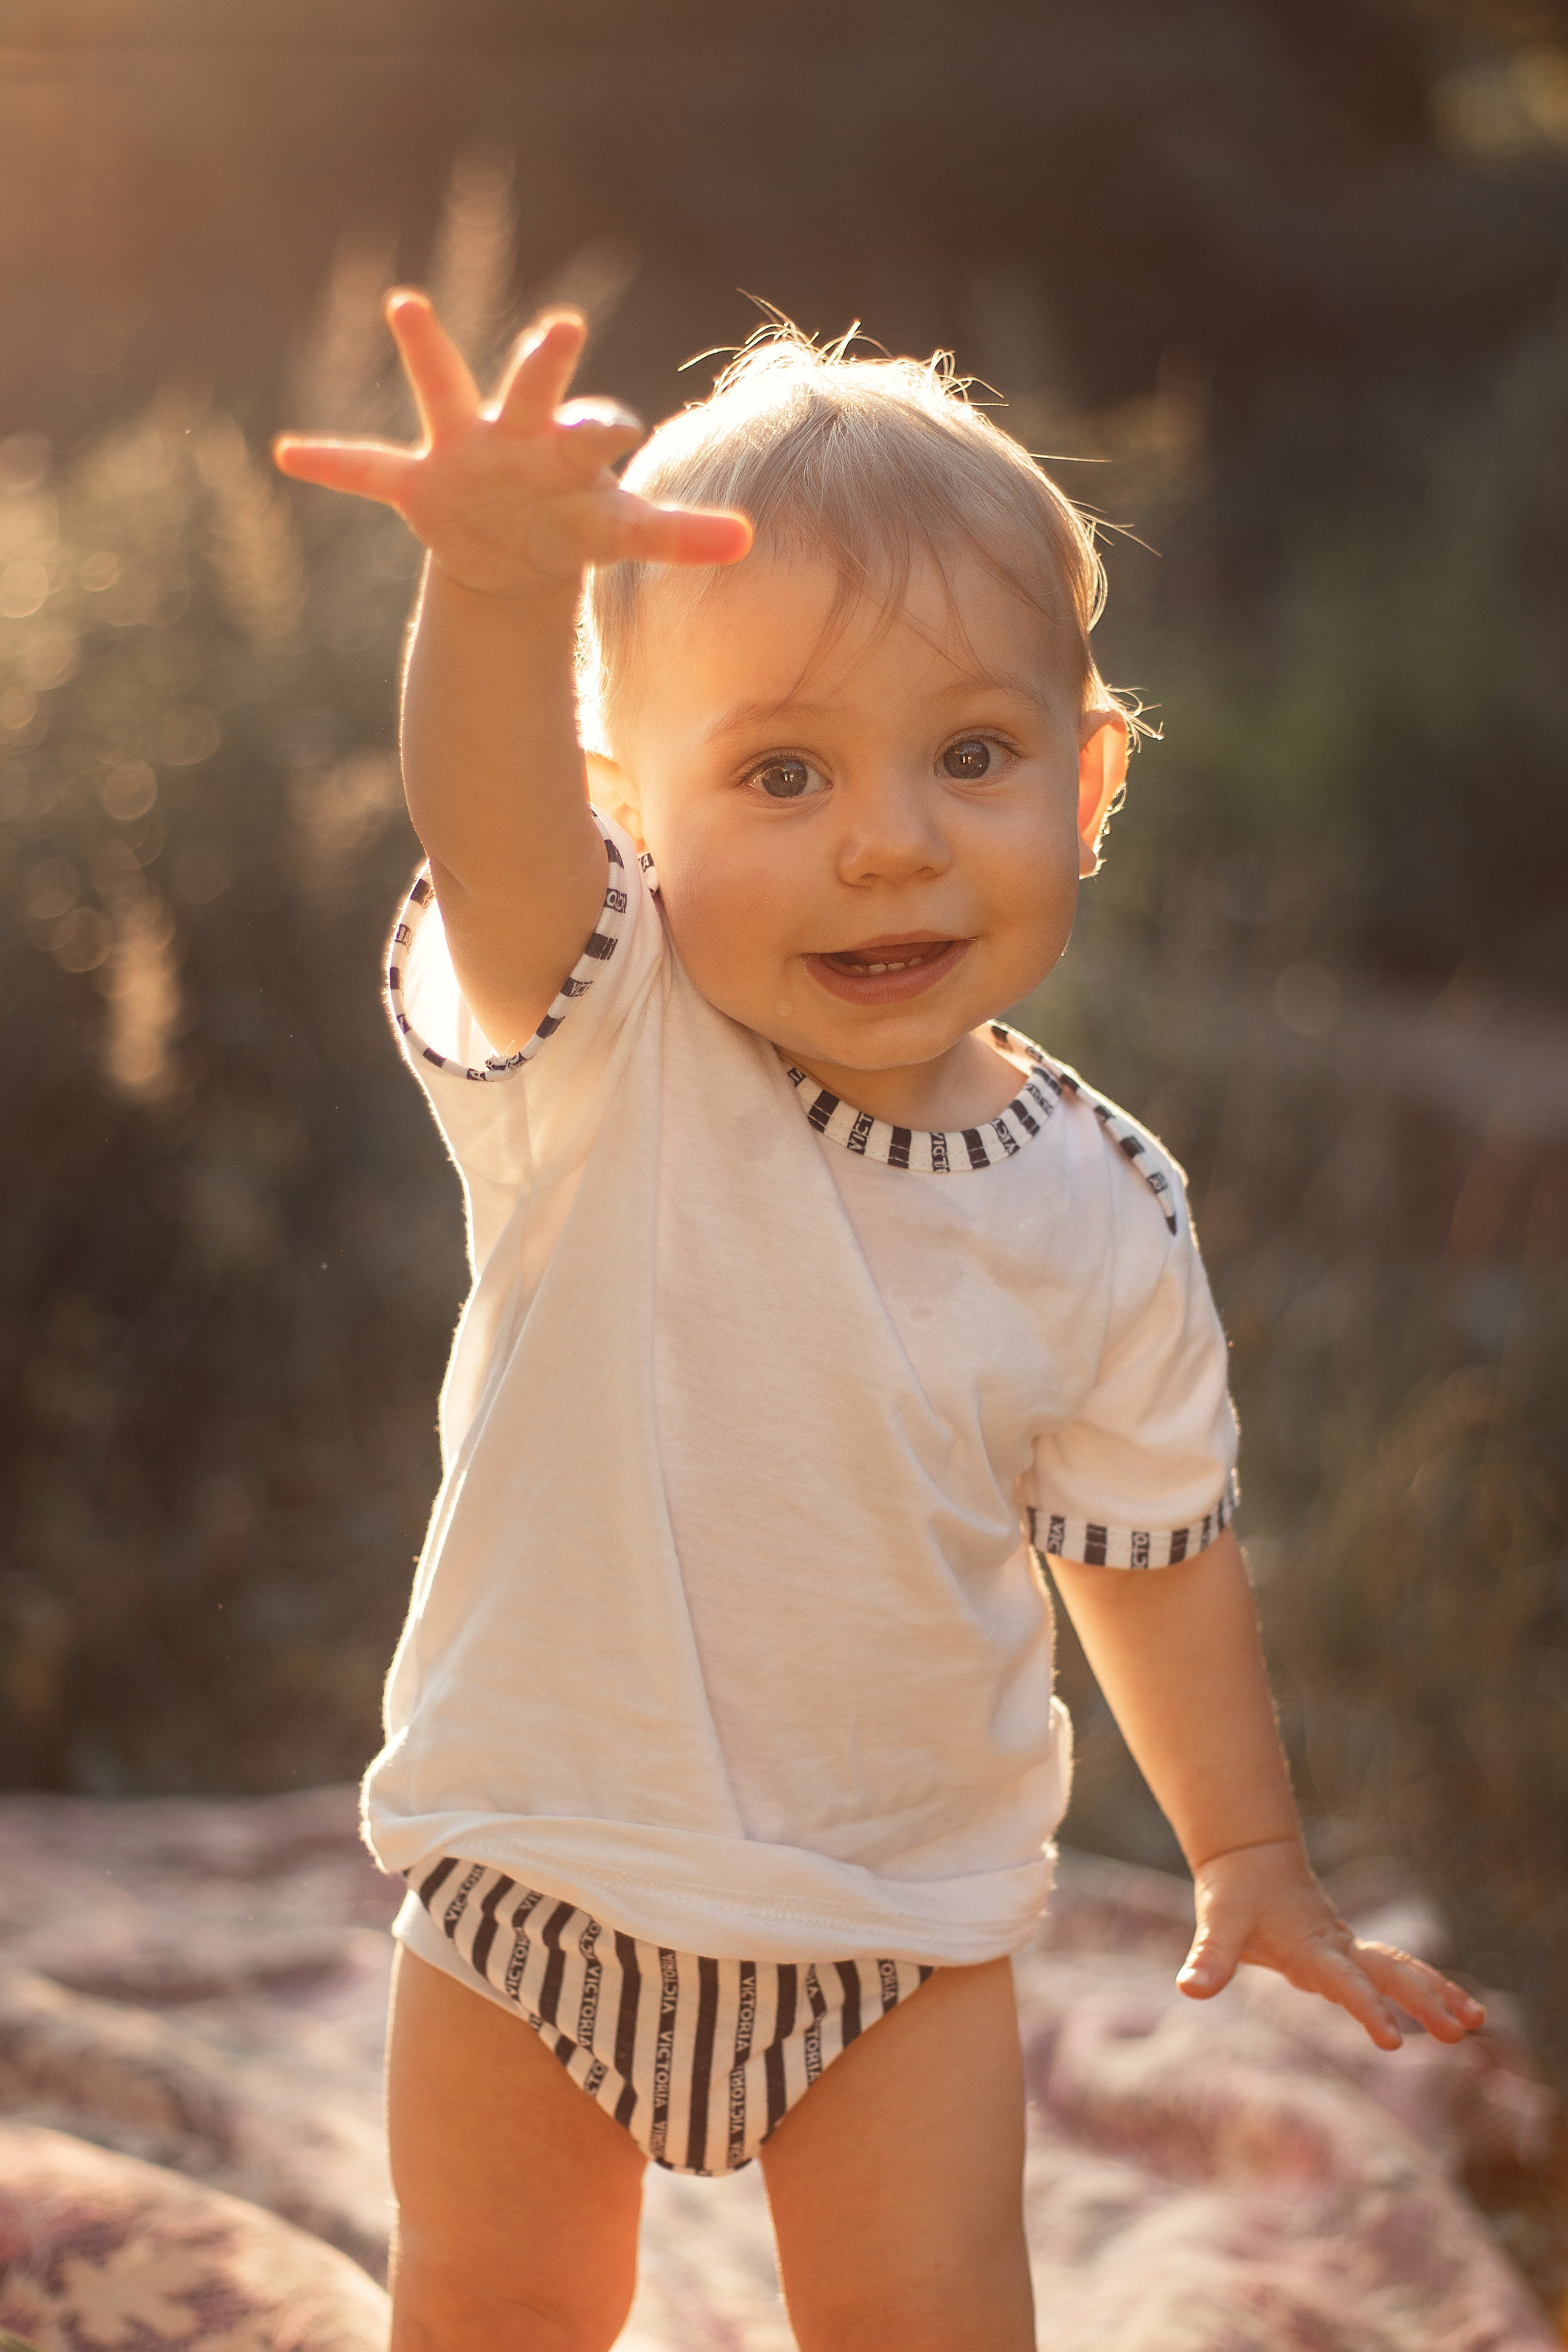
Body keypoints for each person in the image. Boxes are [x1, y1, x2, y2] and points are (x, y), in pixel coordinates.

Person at [273, 294, 1485, 2352]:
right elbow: (486, 829)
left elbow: (1149, 1549)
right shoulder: (608, 1043)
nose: (891, 837)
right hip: (537, 1875)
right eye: (782, 771)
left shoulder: (1101, 1208)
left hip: (894, 1935)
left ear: (1089, 784)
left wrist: (1248, 1848)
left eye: (974, 755)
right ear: (632, 822)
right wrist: (491, 594)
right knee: (490, 2309)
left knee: (934, 2322)